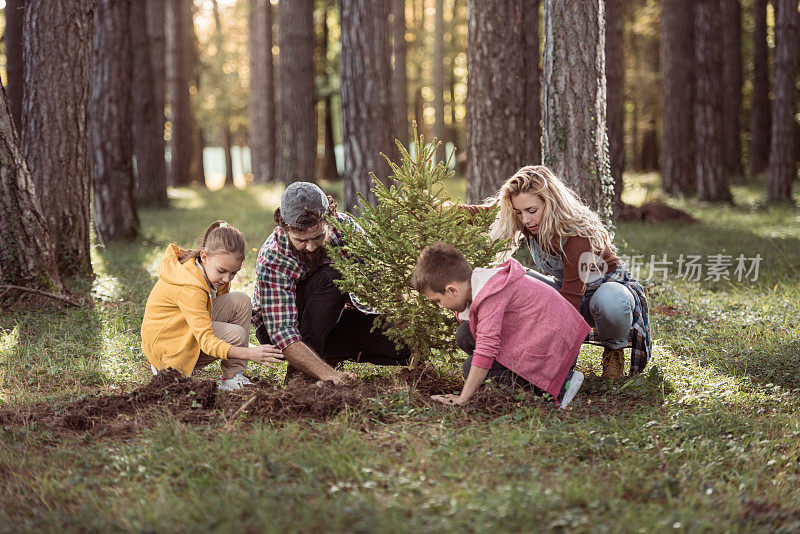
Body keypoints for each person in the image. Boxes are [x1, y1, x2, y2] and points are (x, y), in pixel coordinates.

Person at [461, 165, 651, 378]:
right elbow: (483, 215)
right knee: (511, 278)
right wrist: (438, 207)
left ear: (550, 203)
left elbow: (568, 305)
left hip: (604, 290)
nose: (525, 220)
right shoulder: (527, 218)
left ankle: (614, 350)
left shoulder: (578, 235)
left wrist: (555, 361)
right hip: (566, 289)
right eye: (519, 212)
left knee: (610, 302)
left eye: (532, 211)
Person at [252, 182, 410, 384]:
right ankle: (303, 373)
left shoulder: (346, 228)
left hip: (333, 317)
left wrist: (404, 319)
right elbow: (283, 333)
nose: (309, 247)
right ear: (284, 227)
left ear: (330, 219)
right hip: (280, 329)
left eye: (317, 237)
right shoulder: (273, 257)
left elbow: (378, 278)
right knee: (333, 274)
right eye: (300, 240)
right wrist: (331, 377)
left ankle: (324, 358)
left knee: (402, 346)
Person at [411, 242, 589, 409]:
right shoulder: (481, 283)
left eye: (438, 301)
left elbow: (486, 348)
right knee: (465, 334)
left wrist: (463, 399)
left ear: (452, 290)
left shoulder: (491, 294)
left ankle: (561, 383)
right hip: (544, 336)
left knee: (470, 367)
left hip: (557, 348)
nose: (440, 306)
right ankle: (533, 377)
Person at [141, 221, 283, 391]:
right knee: (236, 335)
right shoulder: (190, 287)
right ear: (204, 256)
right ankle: (166, 369)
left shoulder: (208, 271)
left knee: (242, 301)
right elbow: (207, 341)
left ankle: (232, 377)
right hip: (168, 349)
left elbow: (208, 314)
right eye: (222, 271)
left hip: (183, 327)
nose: (226, 279)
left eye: (233, 273)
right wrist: (249, 353)